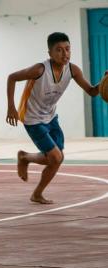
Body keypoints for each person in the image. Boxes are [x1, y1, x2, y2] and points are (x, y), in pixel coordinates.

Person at [6, 32, 103, 204]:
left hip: (50, 117)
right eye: (59, 50)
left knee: (56, 159)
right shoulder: (39, 70)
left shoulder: (73, 70)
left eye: (67, 49)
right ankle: (36, 193)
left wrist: (105, 81)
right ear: (50, 53)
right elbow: (12, 78)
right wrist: (11, 107)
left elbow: (92, 91)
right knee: (56, 157)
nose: (65, 54)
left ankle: (25, 158)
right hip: (32, 119)